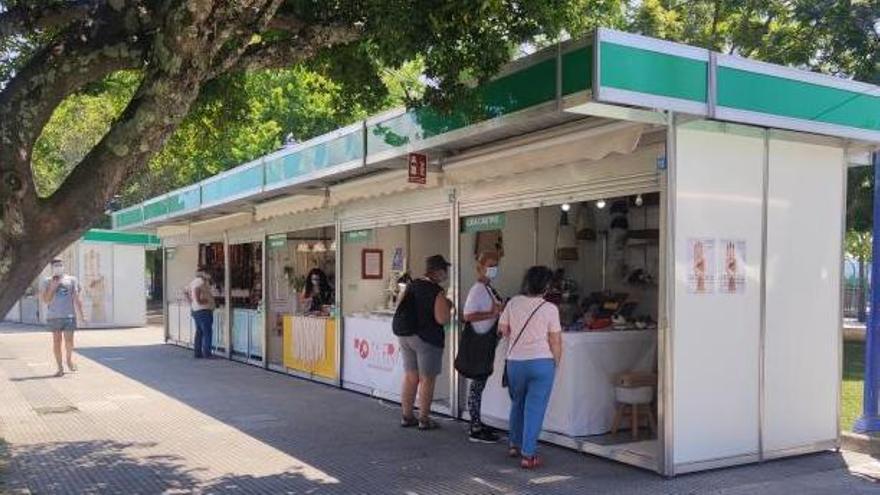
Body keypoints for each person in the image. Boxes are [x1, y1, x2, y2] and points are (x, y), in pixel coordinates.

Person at [498, 266, 563, 469]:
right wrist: (556, 363)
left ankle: (513, 445)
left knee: (517, 403)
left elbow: (503, 330)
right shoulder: (550, 309)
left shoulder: (513, 303)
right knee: (534, 409)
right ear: (546, 286)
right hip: (541, 363)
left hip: (515, 363)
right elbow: (555, 340)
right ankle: (528, 454)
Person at [399, 254, 453, 430]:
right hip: (426, 339)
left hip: (405, 335)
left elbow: (400, 305)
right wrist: (448, 305)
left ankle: (407, 416)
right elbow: (442, 318)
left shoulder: (412, 285)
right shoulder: (435, 291)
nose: (446, 274)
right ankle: (424, 418)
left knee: (410, 376)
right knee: (427, 379)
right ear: (437, 272)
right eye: (445, 270)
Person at [462, 252, 504, 443]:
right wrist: (491, 313)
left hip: (487, 340)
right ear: (481, 267)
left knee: (480, 383)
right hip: (480, 340)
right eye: (490, 265)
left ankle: (477, 421)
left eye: (496, 264)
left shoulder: (487, 289)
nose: (494, 268)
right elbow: (468, 316)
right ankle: (475, 427)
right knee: (477, 384)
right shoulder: (478, 290)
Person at [39, 258, 85, 377]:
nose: (58, 267)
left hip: (69, 315)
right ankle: (60, 368)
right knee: (57, 342)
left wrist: (82, 315)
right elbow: (45, 300)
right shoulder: (47, 281)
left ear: (63, 266)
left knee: (69, 341)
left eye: (60, 265)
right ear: (52, 268)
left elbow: (76, 298)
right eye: (55, 265)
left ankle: (69, 359)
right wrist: (53, 287)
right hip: (54, 316)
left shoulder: (72, 280)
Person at [185, 266, 216, 359]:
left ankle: (198, 353)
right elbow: (197, 289)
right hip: (204, 310)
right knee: (207, 332)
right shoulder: (200, 281)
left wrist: (192, 302)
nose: (209, 275)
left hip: (196, 310)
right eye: (208, 273)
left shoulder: (194, 281)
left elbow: (185, 291)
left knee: (199, 332)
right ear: (203, 273)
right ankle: (207, 353)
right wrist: (199, 301)